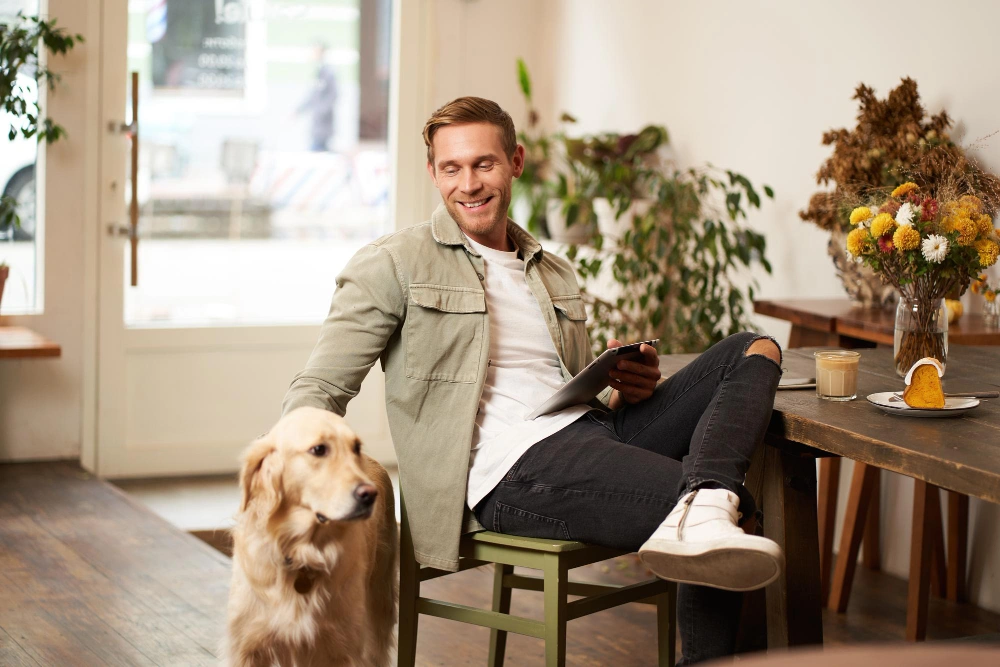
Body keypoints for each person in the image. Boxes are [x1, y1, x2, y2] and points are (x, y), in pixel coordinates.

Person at [282, 96, 784, 664]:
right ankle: (710, 504)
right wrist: (296, 483)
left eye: (484, 164)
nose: (469, 184)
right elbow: (318, 389)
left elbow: (567, 384)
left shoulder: (552, 270)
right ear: (433, 172)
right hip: (509, 467)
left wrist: (625, 388)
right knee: (729, 512)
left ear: (515, 161)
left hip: (591, 431)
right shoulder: (393, 264)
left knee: (753, 348)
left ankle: (707, 497)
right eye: (452, 168)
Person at [295, 43, 338, 152]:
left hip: (323, 123)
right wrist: (298, 110)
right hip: (318, 124)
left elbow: (333, 95)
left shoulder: (328, 72)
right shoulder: (319, 72)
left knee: (318, 150)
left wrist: (321, 111)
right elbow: (313, 96)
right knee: (320, 150)